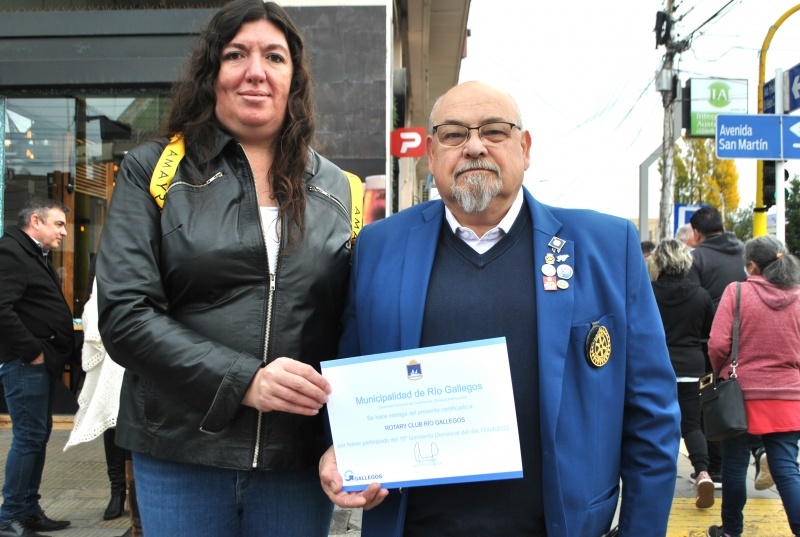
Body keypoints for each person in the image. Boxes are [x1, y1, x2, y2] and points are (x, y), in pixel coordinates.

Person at [319, 81, 681, 536]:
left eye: (494, 131)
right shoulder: (380, 246)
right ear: (430, 156)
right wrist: (342, 449)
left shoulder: (608, 247)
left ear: (525, 149)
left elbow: (652, 415)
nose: (474, 146)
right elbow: (350, 376)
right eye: (453, 134)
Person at [95, 1, 355, 535]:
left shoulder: (339, 189)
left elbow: (352, 326)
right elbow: (125, 315)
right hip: (181, 451)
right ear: (212, 73)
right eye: (236, 54)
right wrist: (244, 381)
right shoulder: (155, 169)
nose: (255, 70)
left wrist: (353, 437)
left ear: (293, 78)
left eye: (274, 57)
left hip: (296, 461)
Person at [705, 236, 800, 537]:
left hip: (741, 397)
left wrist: (723, 369)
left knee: (734, 467)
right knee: (786, 468)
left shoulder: (737, 292)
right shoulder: (799, 297)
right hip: (789, 397)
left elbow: (718, 344)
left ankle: (731, 530)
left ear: (752, 265)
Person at [0, 197, 73, 537]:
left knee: (37, 438)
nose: (63, 233)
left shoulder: (31, 253)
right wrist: (32, 352)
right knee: (29, 438)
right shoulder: (12, 251)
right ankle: (10, 515)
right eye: (58, 224)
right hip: (24, 363)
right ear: (35, 221)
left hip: (37, 364)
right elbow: (2, 309)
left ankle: (28, 510)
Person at [63, 257, 140, 536]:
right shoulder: (103, 260)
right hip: (112, 353)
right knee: (113, 422)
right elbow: (94, 305)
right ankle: (116, 491)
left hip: (143, 351)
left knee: (135, 422)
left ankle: (136, 493)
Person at [651, 239, 715, 509]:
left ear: (658, 262)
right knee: (691, 425)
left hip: (655, 367)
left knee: (653, 423)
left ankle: (655, 477)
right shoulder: (701, 295)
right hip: (691, 368)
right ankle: (702, 473)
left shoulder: (649, 291)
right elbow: (707, 334)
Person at [688, 206, 746, 485]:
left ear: (697, 233)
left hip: (710, 342)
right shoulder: (745, 253)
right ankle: (754, 456)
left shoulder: (697, 258)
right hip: (747, 343)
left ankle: (715, 468)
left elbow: (694, 302)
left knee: (708, 403)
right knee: (742, 401)